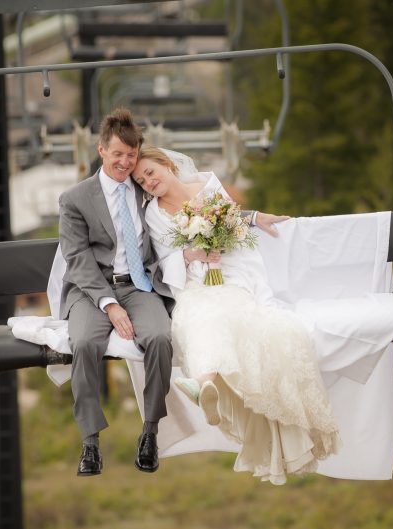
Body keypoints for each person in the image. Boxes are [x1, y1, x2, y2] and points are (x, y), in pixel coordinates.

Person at [59, 108, 284, 477]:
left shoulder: (145, 188)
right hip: (92, 290)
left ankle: (150, 431)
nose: (125, 163)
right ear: (101, 150)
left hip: (140, 284)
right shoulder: (75, 199)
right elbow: (78, 260)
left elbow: (203, 209)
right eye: (117, 154)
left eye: (131, 156)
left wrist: (254, 217)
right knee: (83, 343)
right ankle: (90, 441)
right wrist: (110, 304)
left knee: (161, 338)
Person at [132, 146, 342, 484]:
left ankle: (202, 384)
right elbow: (163, 256)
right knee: (199, 313)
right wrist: (191, 254)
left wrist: (231, 237)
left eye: (151, 173)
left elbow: (231, 224)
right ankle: (206, 384)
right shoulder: (154, 213)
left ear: (167, 165)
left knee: (241, 316)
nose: (149, 182)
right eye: (142, 181)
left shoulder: (207, 184)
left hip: (229, 271)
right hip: (193, 281)